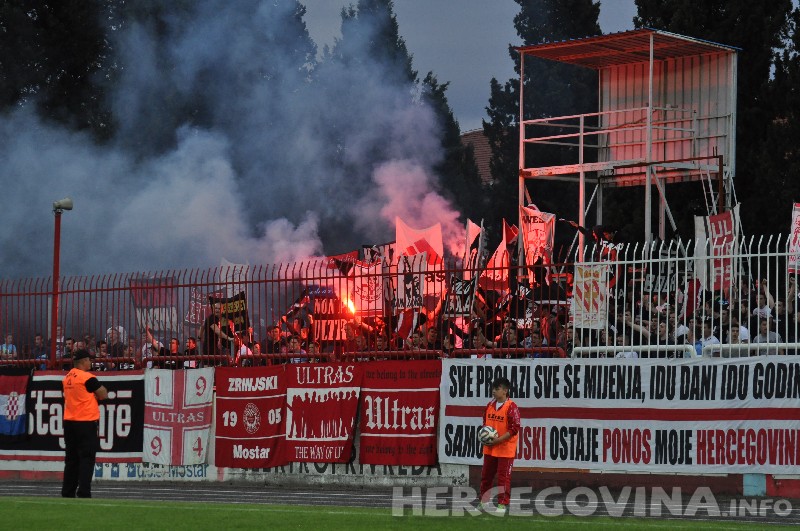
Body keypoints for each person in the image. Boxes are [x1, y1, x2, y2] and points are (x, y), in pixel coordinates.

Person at [61, 349, 108, 498]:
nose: (91, 362)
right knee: (86, 458)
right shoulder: (87, 377)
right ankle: (84, 491)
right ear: (83, 361)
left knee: (71, 459)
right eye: (89, 360)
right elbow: (103, 394)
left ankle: (67, 492)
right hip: (85, 421)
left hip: (69, 421)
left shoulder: (67, 377)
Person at [479, 377, 520, 513]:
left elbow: (514, 428)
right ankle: (484, 501)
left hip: (505, 448)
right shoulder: (489, 405)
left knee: (503, 478)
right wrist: (485, 436)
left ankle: (502, 503)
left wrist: (499, 440)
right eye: (493, 389)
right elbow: (484, 423)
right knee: (486, 476)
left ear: (505, 391)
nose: (494, 391)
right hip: (490, 447)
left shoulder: (511, 407)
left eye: (497, 389)